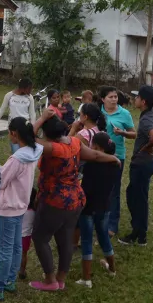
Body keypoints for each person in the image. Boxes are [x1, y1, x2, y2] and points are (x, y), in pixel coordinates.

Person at [29, 109, 120, 292]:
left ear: (46, 133)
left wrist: (43, 117)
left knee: (40, 238)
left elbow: (29, 137)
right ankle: (61, 279)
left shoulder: (51, 148)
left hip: (54, 200)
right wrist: (113, 158)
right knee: (65, 239)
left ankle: (50, 280)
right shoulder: (75, 143)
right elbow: (95, 155)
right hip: (75, 199)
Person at [0, 117, 43, 301]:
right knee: (16, 246)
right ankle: (10, 280)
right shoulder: (33, 151)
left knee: (5, 248)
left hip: (9, 207)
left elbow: (2, 182)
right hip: (21, 204)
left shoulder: (17, 158)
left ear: (14, 133)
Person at [119, 85, 153, 247]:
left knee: (137, 198)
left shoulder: (146, 120)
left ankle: (138, 234)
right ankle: (139, 231)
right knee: (137, 195)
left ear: (143, 101)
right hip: (149, 162)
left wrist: (145, 148)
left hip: (142, 164)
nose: (134, 99)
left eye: (137, 97)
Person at [76, 132, 118, 288]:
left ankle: (86, 278)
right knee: (103, 236)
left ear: (98, 148)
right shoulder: (115, 164)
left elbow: (85, 188)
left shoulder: (91, 165)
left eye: (92, 145)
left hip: (88, 208)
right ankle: (112, 269)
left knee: (86, 240)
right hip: (104, 207)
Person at [100, 86, 136, 236]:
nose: (114, 99)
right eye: (111, 97)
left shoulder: (124, 113)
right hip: (97, 154)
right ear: (103, 99)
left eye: (115, 97)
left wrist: (123, 133)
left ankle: (112, 224)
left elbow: (134, 134)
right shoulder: (98, 112)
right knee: (99, 188)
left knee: (113, 190)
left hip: (116, 155)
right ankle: (98, 219)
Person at [0, 78, 36, 153]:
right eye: (29, 89)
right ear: (23, 88)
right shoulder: (9, 95)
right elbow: (2, 109)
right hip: (13, 128)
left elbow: (32, 114)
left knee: (25, 150)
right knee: (16, 151)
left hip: (25, 127)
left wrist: (33, 128)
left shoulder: (30, 97)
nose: (31, 91)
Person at [18, 189, 37, 281]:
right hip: (26, 237)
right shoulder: (34, 212)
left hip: (16, 235)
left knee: (14, 253)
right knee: (24, 254)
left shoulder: (19, 211)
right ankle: (22, 271)